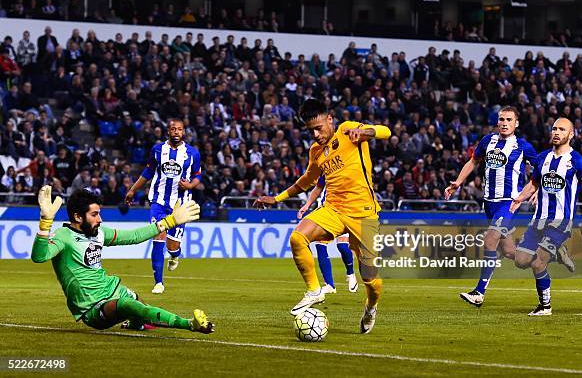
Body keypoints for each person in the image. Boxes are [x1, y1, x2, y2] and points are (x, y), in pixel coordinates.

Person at [254, 99, 391, 334]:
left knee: (371, 280)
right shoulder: (316, 151)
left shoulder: (348, 130)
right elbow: (307, 181)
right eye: (311, 131)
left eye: (319, 128)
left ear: (330, 119)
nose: (316, 134)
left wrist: (365, 130)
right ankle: (315, 290)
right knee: (298, 238)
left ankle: (371, 306)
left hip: (363, 213)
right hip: (333, 210)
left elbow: (385, 132)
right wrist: (276, 199)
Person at [31, 186, 213, 333]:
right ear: (78, 217)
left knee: (138, 305)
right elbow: (39, 257)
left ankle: (136, 324)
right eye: (94, 215)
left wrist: (169, 221)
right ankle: (190, 324)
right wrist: (45, 222)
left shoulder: (99, 233)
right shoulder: (63, 236)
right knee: (129, 305)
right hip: (93, 308)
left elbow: (133, 236)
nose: (100, 219)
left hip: (115, 290)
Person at [445, 106, 542, 307]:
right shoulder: (487, 141)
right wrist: (458, 182)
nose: (504, 123)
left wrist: (538, 189)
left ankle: (479, 292)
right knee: (509, 252)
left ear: (516, 123)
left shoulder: (523, 146)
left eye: (509, 120)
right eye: (501, 119)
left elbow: (542, 169)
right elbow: (473, 161)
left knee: (490, 240)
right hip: (489, 203)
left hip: (508, 203)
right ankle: (540, 261)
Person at [510, 117, 582, 315]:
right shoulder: (542, 158)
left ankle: (545, 306)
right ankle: (559, 253)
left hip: (561, 221)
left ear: (571, 134)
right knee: (521, 260)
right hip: (539, 219)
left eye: (562, 129)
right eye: (554, 128)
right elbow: (534, 183)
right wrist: (519, 198)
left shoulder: (576, 161)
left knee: (538, 263)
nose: (556, 132)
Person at [125, 119, 201, 294]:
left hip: (180, 206)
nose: (176, 132)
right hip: (158, 202)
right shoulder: (157, 149)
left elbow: (198, 176)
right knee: (159, 235)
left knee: (172, 246)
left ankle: (174, 256)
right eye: (173, 129)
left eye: (179, 129)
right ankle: (158, 282)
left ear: (184, 132)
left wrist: (190, 186)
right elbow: (148, 172)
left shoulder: (192, 153)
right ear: (168, 131)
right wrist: (132, 190)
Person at [297, 175, 358, 294]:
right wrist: (307, 205)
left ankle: (350, 273)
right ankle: (329, 285)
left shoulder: (351, 171)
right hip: (326, 213)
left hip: (344, 213)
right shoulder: (328, 169)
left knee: (342, 246)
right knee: (320, 245)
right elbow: (319, 187)